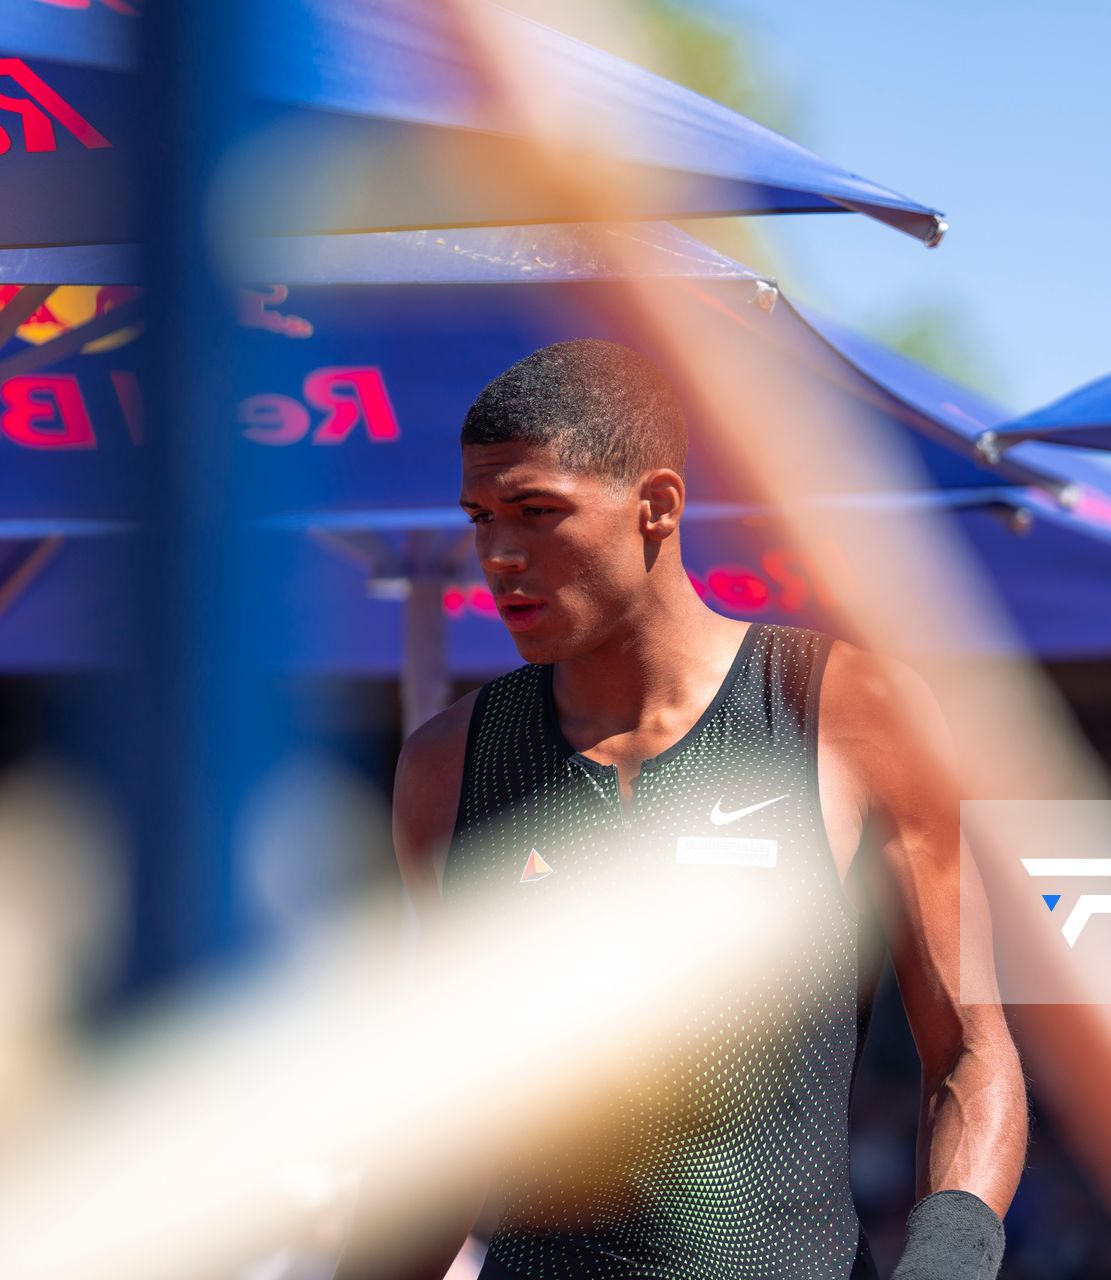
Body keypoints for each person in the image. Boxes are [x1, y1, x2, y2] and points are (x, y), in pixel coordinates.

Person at [333, 339, 1027, 1280]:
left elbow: (970, 1050)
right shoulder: (447, 767)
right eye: (480, 516)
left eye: (537, 512)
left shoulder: (848, 712)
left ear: (656, 505)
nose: (496, 555)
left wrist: (947, 1261)